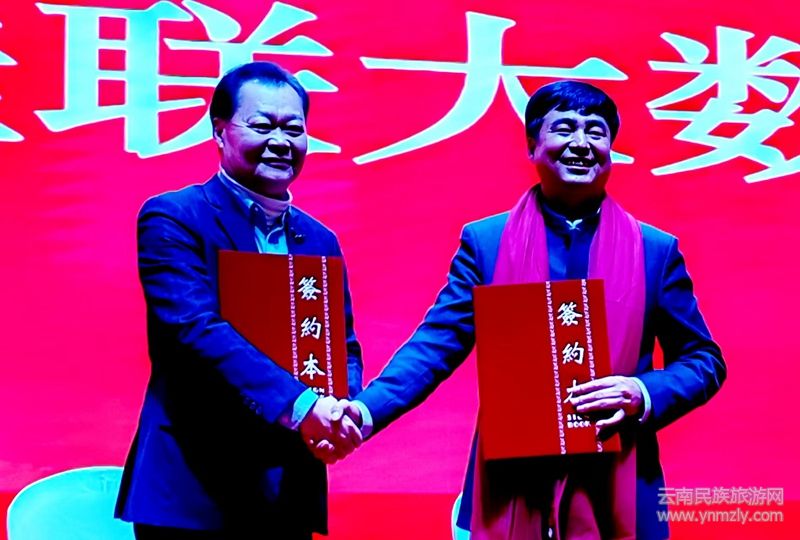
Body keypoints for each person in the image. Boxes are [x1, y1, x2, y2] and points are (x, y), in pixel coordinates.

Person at [339, 81, 726, 539]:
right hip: (510, 481)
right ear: (532, 145)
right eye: (564, 129)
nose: (581, 143)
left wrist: (641, 392)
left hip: (618, 483)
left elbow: (704, 360)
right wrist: (365, 411)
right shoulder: (487, 242)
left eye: (596, 132)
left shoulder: (654, 250)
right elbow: (435, 344)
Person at [115, 61, 363, 539]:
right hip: (193, 490)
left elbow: (342, 345)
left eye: (294, 129)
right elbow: (195, 328)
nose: (281, 141)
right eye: (262, 125)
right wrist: (303, 407)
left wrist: (339, 410)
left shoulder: (319, 239)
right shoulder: (174, 217)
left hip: (286, 487)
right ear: (219, 131)